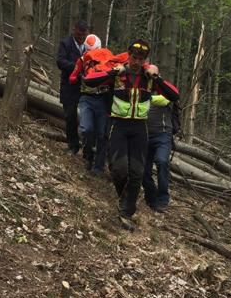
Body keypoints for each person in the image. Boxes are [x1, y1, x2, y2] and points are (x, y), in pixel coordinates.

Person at [84, 39, 179, 230]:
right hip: (118, 125)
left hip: (139, 128)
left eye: (141, 59)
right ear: (128, 55)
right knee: (119, 170)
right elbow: (88, 81)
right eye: (134, 57)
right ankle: (124, 199)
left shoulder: (149, 77)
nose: (136, 62)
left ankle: (127, 210)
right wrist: (113, 72)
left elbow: (174, 95)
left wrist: (157, 78)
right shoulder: (119, 73)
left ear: (145, 60)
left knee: (137, 173)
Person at [70, 34, 113, 176]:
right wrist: (76, 77)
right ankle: (88, 155)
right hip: (86, 98)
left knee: (102, 134)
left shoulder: (109, 59)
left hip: (103, 99)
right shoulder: (83, 60)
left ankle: (99, 166)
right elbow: (73, 75)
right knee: (87, 129)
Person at [56, 20, 88, 154]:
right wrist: (77, 68)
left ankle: (88, 148)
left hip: (86, 87)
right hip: (69, 86)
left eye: (83, 35)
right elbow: (60, 61)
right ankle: (73, 145)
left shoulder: (89, 46)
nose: (81, 38)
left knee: (86, 117)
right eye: (79, 34)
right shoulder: (65, 44)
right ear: (74, 30)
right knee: (70, 116)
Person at [142, 90, 176, 213]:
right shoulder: (141, 88)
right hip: (144, 135)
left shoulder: (164, 91)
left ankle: (163, 198)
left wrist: (145, 97)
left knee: (161, 161)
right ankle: (151, 197)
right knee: (144, 169)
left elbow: (166, 99)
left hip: (163, 135)